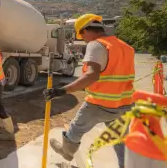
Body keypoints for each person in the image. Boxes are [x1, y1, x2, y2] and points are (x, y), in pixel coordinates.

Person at [43, 14, 135, 168]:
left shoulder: (96, 44)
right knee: (120, 141)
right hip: (125, 104)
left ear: (85, 30)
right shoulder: (126, 47)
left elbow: (92, 75)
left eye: (81, 35)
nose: (83, 39)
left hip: (100, 104)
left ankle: (66, 152)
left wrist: (62, 91)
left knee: (75, 131)